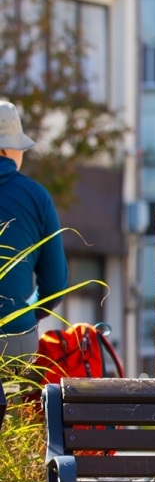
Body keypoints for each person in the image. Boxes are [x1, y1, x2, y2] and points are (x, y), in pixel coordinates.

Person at [0, 100, 67, 360]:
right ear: (6, 149)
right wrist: (25, 314)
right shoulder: (36, 197)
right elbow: (55, 285)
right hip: (15, 340)